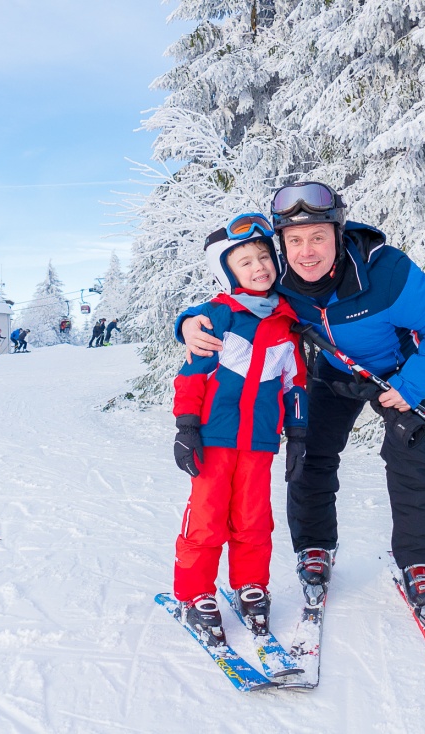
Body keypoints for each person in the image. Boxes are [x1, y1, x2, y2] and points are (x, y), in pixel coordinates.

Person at [179, 182, 425, 620]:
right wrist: (186, 323)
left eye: (318, 236)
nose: (306, 252)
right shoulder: (282, 284)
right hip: (337, 371)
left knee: (410, 456)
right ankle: (315, 546)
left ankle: (419, 562)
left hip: (397, 372)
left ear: (338, 232)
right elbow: (232, 302)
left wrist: (409, 388)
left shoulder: (385, 273)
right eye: (294, 241)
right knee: (313, 451)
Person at [170, 213, 308, 643]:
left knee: (253, 518)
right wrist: (187, 425)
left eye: (263, 256)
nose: (258, 267)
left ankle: (251, 585)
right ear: (229, 273)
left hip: (260, 440)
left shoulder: (286, 324)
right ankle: (195, 594)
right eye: (245, 262)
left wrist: (299, 435)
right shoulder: (217, 316)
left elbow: (294, 384)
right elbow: (192, 375)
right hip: (214, 437)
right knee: (208, 517)